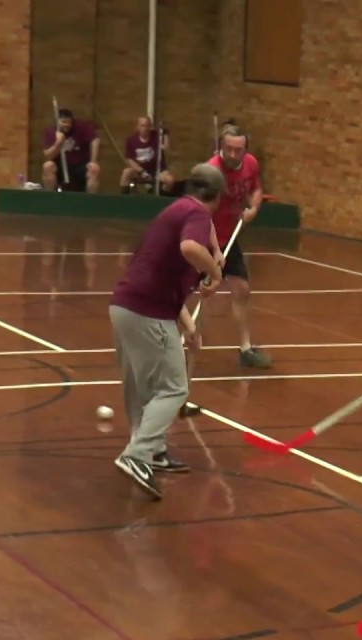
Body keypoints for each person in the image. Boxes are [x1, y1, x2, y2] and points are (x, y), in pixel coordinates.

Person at [108, 163, 226, 499]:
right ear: (215, 197)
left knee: (139, 386)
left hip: (125, 306)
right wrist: (215, 275)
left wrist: (188, 329)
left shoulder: (175, 211)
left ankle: (150, 448)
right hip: (147, 313)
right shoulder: (197, 215)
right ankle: (137, 455)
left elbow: (166, 283)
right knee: (174, 388)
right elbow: (191, 249)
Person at [208, 125, 271, 369]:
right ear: (221, 147)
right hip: (204, 236)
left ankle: (245, 349)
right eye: (229, 149)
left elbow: (256, 189)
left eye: (239, 150)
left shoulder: (250, 164)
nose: (234, 155)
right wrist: (213, 250)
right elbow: (201, 213)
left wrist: (253, 209)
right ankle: (174, 346)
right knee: (197, 293)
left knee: (242, 289)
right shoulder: (211, 172)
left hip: (229, 238)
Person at [42, 108, 100, 193]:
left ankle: (90, 201)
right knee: (47, 166)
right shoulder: (50, 131)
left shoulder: (81, 126)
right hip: (60, 165)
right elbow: (48, 156)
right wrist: (59, 142)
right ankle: (50, 198)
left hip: (80, 164)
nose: (67, 125)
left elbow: (95, 140)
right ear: (57, 122)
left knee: (94, 168)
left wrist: (93, 161)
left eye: (69, 122)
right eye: (64, 122)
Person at [121, 116, 174, 194]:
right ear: (138, 127)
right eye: (142, 126)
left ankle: (162, 196)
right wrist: (142, 172)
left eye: (147, 126)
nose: (145, 128)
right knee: (126, 172)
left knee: (170, 180)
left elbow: (167, 150)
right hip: (140, 170)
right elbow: (129, 159)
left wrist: (165, 135)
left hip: (157, 170)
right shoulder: (131, 140)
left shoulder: (157, 135)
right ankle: (123, 198)